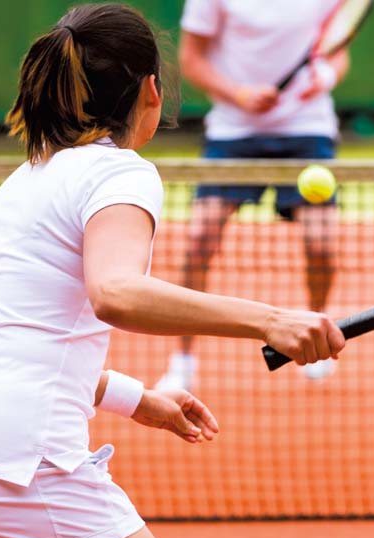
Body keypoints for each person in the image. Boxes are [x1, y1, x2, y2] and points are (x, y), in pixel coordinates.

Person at [0, 5, 344, 538]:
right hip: (15, 464)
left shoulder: (27, 177)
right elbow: (116, 293)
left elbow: (24, 340)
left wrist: (139, 400)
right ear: (152, 89)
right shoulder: (121, 173)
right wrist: (271, 319)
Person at [155, 0, 350, 388]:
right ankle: (183, 360)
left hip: (306, 130)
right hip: (233, 131)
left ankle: (315, 328)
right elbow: (192, 59)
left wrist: (324, 78)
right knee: (199, 241)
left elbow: (336, 50)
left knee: (321, 244)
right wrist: (239, 94)